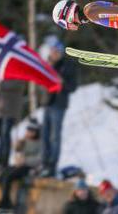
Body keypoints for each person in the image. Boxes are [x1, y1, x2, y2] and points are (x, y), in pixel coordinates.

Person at [41, 39, 77, 177]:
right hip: (47, 102)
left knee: (55, 136)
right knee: (45, 135)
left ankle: (52, 165)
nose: (53, 53)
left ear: (60, 52)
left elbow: (73, 86)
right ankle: (44, 163)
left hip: (59, 104)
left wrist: (63, 82)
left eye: (56, 51)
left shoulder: (68, 65)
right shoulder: (47, 64)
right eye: (52, 51)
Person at [0, 119, 42, 212]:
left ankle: (4, 204)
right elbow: (17, 150)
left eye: (31, 131)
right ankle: (6, 201)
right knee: (2, 175)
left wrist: (25, 160)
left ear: (36, 132)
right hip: (20, 165)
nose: (29, 133)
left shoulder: (40, 143)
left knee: (8, 177)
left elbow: (39, 159)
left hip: (30, 167)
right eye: (28, 130)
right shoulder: (25, 140)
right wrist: (19, 144)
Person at [0, 80, 25, 169]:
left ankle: (5, 161)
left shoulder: (15, 73)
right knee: (0, 135)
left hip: (10, 109)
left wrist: (0, 85)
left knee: (5, 134)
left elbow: (18, 85)